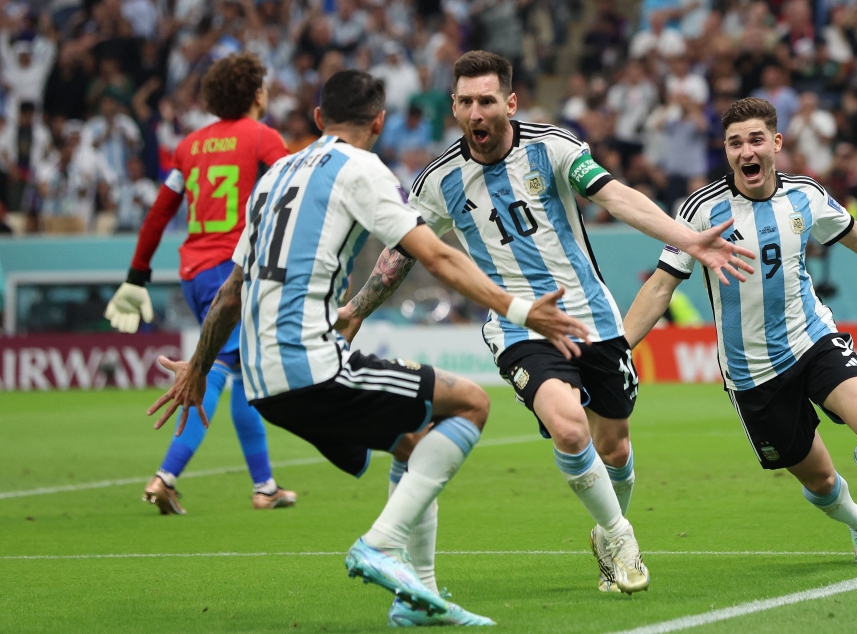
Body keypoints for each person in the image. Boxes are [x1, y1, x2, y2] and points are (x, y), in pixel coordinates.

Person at [148, 69, 589, 627]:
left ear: (316, 119)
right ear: (378, 122)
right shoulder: (362, 169)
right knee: (472, 403)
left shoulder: (276, 174)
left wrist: (200, 368)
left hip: (261, 380)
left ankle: (418, 598)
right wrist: (523, 311)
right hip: (310, 363)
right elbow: (437, 256)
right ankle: (380, 545)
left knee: (412, 442)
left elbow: (233, 291)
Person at [337, 51, 754, 596]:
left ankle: (607, 535)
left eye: (487, 100)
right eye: (464, 102)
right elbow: (402, 254)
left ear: (509, 103)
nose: (475, 113)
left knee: (616, 450)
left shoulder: (553, 148)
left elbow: (614, 195)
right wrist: (356, 310)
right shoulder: (438, 182)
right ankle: (621, 534)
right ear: (455, 108)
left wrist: (683, 236)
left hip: (595, 322)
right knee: (567, 425)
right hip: (518, 328)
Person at [624, 98, 857, 566]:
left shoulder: (805, 195)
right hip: (752, 371)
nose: (745, 151)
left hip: (810, 338)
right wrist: (617, 348)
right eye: (735, 143)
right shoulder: (700, 210)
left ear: (775, 143)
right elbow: (659, 287)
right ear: (727, 152)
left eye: (755, 139)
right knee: (819, 483)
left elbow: (854, 233)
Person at [103, 53, 295, 515]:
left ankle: (265, 486)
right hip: (231, 273)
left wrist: (137, 275)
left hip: (193, 272)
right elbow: (297, 181)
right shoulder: (261, 136)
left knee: (242, 370)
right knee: (213, 370)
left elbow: (159, 213)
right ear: (256, 93)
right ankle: (166, 476)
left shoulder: (189, 146)